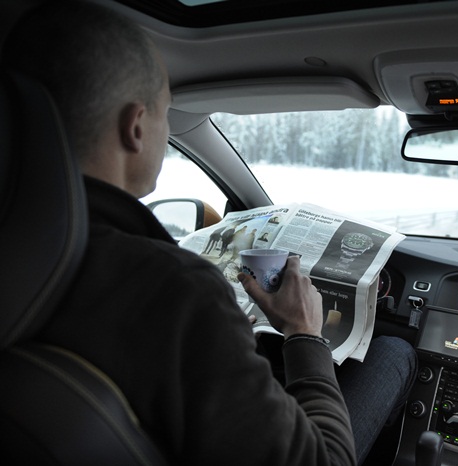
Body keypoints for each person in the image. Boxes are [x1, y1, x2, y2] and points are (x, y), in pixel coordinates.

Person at [2, 2, 416, 465]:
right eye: (165, 114)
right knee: (394, 353)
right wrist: (302, 333)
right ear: (136, 126)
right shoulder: (174, 291)